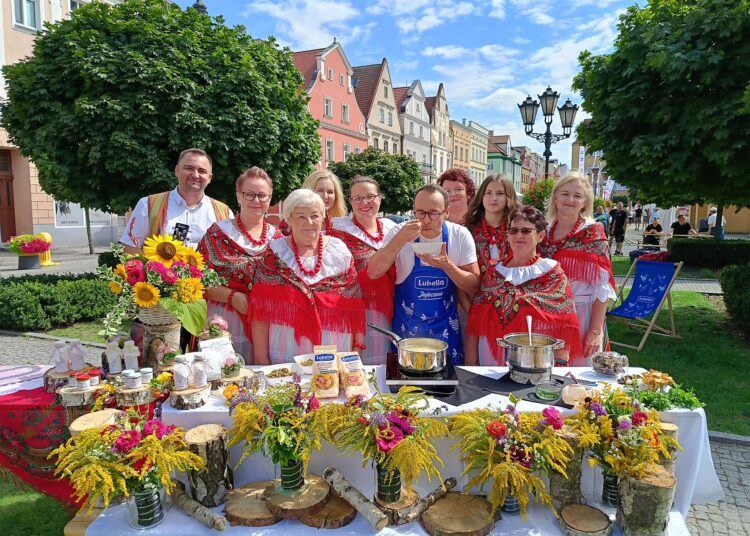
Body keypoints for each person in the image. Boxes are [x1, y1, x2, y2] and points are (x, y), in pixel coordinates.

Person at [367, 184, 480, 365]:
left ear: (446, 212)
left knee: (447, 389)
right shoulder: (400, 232)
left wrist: (448, 266)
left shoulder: (459, 235)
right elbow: (373, 272)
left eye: (433, 213)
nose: (426, 220)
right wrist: (399, 240)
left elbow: (474, 286)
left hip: (446, 332)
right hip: (407, 333)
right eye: (420, 213)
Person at [249, 189, 365, 365]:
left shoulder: (339, 251)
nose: (309, 222)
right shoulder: (275, 253)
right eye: (301, 217)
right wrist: (261, 358)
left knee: (329, 389)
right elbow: (261, 310)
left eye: (315, 216)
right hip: (286, 343)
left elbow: (354, 304)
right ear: (289, 219)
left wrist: (357, 349)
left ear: (323, 218)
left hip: (334, 344)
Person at [466, 206, 580, 365]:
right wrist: (471, 359)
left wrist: (560, 363)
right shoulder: (494, 270)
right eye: (514, 230)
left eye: (526, 231)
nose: (519, 235)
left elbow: (565, 322)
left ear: (540, 236)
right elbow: (477, 316)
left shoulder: (552, 272)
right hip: (491, 355)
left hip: (534, 358)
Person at [198, 167, 276, 361]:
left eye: (262, 195)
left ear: (270, 198)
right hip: (226, 316)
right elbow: (198, 279)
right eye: (249, 194)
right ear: (238, 196)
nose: (256, 200)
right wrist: (231, 296)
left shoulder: (279, 238)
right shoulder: (218, 233)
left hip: (269, 322)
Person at [539, 172, 616, 366]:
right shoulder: (542, 231)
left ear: (585, 202)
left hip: (582, 314)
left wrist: (595, 331)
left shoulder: (593, 232)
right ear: (555, 197)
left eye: (577, 196)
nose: (570, 200)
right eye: (565, 194)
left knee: (580, 380)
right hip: (547, 313)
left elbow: (602, 288)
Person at [329, 176, 399, 365]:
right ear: (350, 202)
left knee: (385, 363)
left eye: (370, 196)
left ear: (380, 197)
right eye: (357, 198)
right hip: (354, 307)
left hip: (389, 306)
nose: (364, 203)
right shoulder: (338, 228)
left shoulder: (392, 228)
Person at [120, 148, 232, 253]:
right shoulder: (148, 205)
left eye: (202, 171)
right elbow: (129, 247)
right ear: (177, 170)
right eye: (189, 168)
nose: (195, 175)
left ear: (210, 178)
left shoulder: (224, 213)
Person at [462, 174, 519, 364]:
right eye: (488, 192)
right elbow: (460, 277)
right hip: (474, 306)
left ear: (508, 197)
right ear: (481, 196)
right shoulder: (468, 230)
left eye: (500, 193)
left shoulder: (518, 231)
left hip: (511, 309)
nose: (493, 198)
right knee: (474, 362)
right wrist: (472, 311)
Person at [275, 170, 347, 237]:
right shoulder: (290, 225)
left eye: (330, 192)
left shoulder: (340, 226)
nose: (325, 196)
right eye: (320, 190)